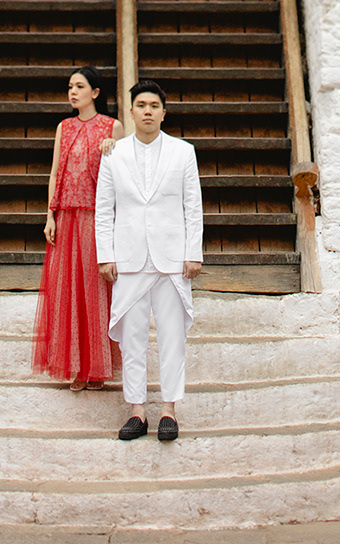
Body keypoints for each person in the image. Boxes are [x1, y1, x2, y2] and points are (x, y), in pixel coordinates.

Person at [95, 79, 203, 441]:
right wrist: (105, 255)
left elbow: (193, 206)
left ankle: (169, 409)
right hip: (129, 258)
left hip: (172, 258)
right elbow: (103, 209)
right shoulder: (113, 153)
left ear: (163, 113)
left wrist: (193, 253)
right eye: (141, 105)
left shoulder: (183, 152)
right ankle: (137, 411)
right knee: (133, 338)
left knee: (172, 336)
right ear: (131, 111)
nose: (147, 112)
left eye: (154, 106)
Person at [30, 66, 125, 390]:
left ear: (95, 92)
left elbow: (125, 174)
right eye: (70, 86)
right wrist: (50, 215)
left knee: (94, 289)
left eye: (80, 86)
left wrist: (114, 149)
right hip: (67, 215)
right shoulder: (64, 127)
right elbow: (56, 172)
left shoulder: (112, 126)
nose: (73, 92)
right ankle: (76, 366)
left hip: (97, 217)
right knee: (67, 290)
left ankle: (96, 368)